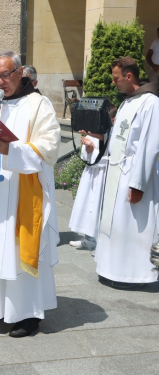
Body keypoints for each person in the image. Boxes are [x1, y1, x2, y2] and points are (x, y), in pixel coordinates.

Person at [0, 51, 60, 337]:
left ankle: (27, 315)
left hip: (22, 192)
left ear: (20, 73)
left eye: (5, 75)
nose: (0, 81)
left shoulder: (38, 104)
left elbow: (50, 148)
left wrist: (12, 150)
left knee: (17, 249)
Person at [95, 56, 159, 289]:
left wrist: (138, 184)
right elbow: (117, 139)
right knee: (115, 223)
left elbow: (149, 145)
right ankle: (112, 268)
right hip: (116, 172)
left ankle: (136, 274)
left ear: (129, 76)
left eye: (116, 78)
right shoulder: (127, 102)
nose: (114, 83)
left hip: (134, 172)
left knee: (134, 223)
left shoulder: (151, 103)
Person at [69, 105, 117, 253]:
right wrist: (88, 149)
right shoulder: (93, 132)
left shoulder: (113, 134)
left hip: (104, 174)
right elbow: (85, 155)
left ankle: (100, 240)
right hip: (91, 173)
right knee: (87, 204)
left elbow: (111, 155)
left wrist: (94, 150)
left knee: (98, 206)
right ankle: (89, 238)